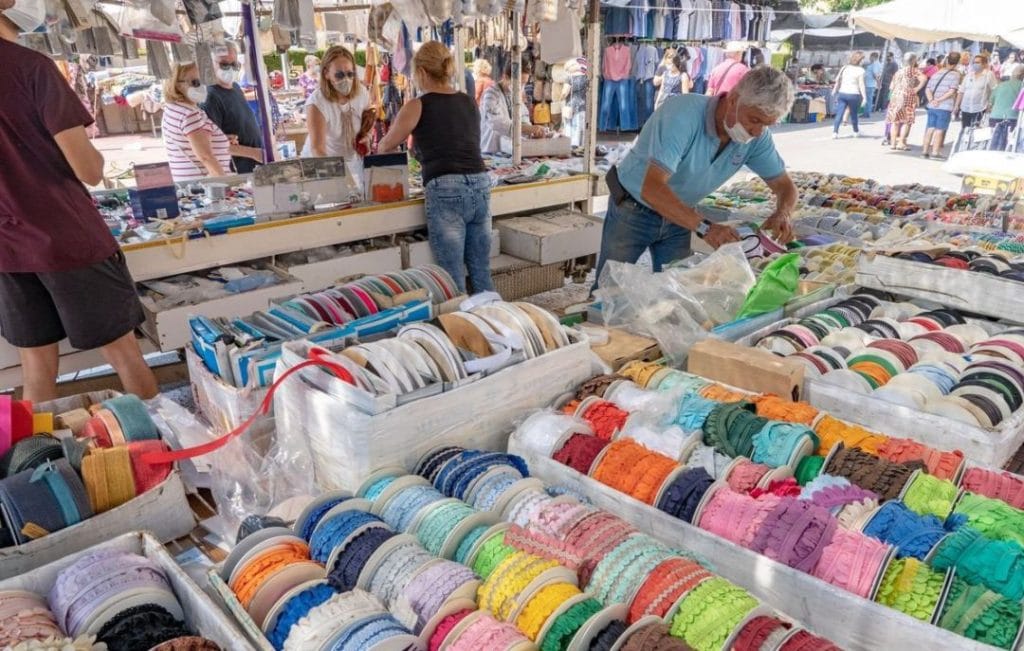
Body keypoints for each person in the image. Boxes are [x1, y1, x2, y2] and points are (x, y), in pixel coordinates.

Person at [0, 2, 157, 402]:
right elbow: (89, 169)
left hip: (8, 249)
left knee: (36, 371)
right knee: (124, 356)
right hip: (66, 238)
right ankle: (159, 449)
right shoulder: (33, 68)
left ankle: (41, 458)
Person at [594, 66, 799, 287]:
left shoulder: (757, 138)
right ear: (733, 100)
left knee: (677, 291)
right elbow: (652, 189)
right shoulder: (682, 113)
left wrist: (783, 212)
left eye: (766, 125)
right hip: (633, 208)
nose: (757, 132)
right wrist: (706, 228)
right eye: (754, 120)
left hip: (681, 214)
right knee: (609, 290)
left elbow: (785, 186)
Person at [377, 42, 492, 295]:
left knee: (451, 278)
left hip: (446, 187)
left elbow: (385, 146)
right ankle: (494, 328)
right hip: (480, 184)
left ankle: (457, 331)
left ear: (422, 73)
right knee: (481, 271)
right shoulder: (467, 101)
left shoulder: (417, 105)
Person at [301, 45, 375, 186]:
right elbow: (318, 149)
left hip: (351, 160)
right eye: (339, 75)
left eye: (350, 74)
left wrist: (367, 137)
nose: (346, 79)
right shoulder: (317, 103)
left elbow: (368, 120)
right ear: (326, 74)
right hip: (321, 164)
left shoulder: (362, 93)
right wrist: (340, 179)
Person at [162, 63, 236, 181]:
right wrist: (227, 186)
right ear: (177, 84)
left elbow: (188, 139)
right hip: (205, 186)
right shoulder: (190, 114)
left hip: (187, 183)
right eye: (195, 82)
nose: (202, 86)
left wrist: (219, 138)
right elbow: (205, 156)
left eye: (204, 80)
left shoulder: (173, 108)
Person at [202, 42, 264, 174]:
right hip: (237, 170)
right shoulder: (210, 97)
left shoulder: (235, 87)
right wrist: (254, 153)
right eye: (224, 64)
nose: (229, 69)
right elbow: (212, 144)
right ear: (210, 63)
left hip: (254, 167)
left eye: (234, 64)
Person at [479, 62, 546, 154]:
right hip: (491, 150)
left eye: (524, 83)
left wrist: (532, 132)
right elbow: (497, 124)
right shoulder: (491, 95)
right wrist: (526, 129)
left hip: (509, 151)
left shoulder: (515, 94)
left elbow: (523, 117)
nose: (521, 87)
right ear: (505, 77)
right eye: (519, 83)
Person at [921, 52, 961, 160]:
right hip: (944, 106)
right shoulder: (956, 75)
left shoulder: (937, 73)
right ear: (957, 62)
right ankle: (935, 152)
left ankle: (924, 151)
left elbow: (928, 88)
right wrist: (939, 100)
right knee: (939, 129)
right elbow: (952, 91)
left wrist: (932, 100)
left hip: (932, 106)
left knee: (930, 128)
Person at [885, 53, 926, 151]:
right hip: (908, 96)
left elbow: (891, 86)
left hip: (895, 97)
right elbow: (924, 78)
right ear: (914, 60)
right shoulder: (913, 70)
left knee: (895, 121)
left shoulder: (898, 72)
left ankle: (893, 143)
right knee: (907, 121)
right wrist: (916, 89)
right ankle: (901, 142)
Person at [955, 53, 997, 129]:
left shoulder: (989, 75)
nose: (975, 64)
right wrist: (957, 106)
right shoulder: (969, 75)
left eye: (978, 62)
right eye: (974, 62)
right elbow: (961, 91)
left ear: (984, 64)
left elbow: (994, 90)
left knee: (976, 130)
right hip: (965, 107)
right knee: (964, 129)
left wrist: (990, 104)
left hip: (980, 108)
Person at [832, 51, 867, 139]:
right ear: (860, 60)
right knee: (854, 114)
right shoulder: (861, 70)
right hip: (854, 94)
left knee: (839, 113)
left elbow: (838, 79)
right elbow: (861, 85)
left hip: (842, 93)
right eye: (862, 59)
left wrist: (834, 90)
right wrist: (864, 97)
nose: (863, 61)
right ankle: (855, 131)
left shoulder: (844, 67)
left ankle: (835, 132)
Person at [989, 67, 1024, 151]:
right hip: (1013, 119)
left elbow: (991, 101)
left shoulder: (1001, 85)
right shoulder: (1022, 86)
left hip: (994, 116)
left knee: (992, 142)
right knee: (1008, 145)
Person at [561, 58, 589, 148]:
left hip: (571, 105)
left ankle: (570, 144)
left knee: (570, 125)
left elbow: (565, 92)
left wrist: (561, 97)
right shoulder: (586, 77)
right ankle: (580, 144)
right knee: (580, 125)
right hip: (582, 104)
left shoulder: (569, 78)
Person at [862, 52, 882, 117]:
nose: (870, 58)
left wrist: (878, 84)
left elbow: (875, 74)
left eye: (870, 57)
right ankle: (866, 113)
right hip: (870, 84)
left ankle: (866, 114)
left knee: (868, 99)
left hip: (869, 84)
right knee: (868, 99)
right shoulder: (877, 64)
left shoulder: (875, 64)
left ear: (874, 57)